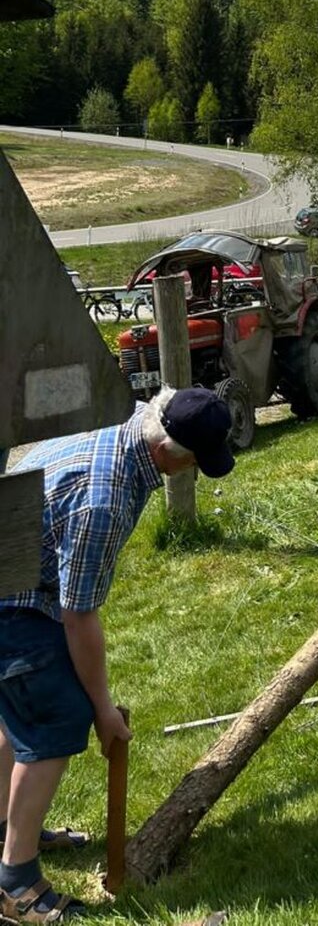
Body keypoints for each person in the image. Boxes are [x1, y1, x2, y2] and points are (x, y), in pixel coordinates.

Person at [0, 386, 234, 923]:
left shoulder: (128, 422)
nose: (191, 470)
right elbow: (78, 614)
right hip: (11, 599)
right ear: (167, 453)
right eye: (194, 461)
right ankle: (14, 884)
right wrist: (102, 710)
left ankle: (12, 831)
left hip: (15, 573)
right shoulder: (104, 497)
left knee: (16, 719)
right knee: (54, 716)